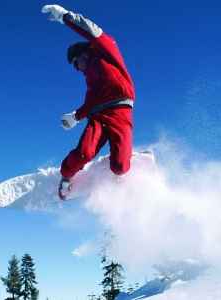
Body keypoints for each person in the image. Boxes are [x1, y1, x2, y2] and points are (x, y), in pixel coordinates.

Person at [42, 4, 136, 200]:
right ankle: (66, 177)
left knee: (119, 167)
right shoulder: (90, 82)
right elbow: (90, 104)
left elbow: (91, 29)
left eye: (77, 63)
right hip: (98, 117)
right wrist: (74, 117)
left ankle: (119, 164)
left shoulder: (104, 50)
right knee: (84, 153)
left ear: (83, 54)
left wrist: (65, 17)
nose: (78, 69)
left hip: (120, 111)